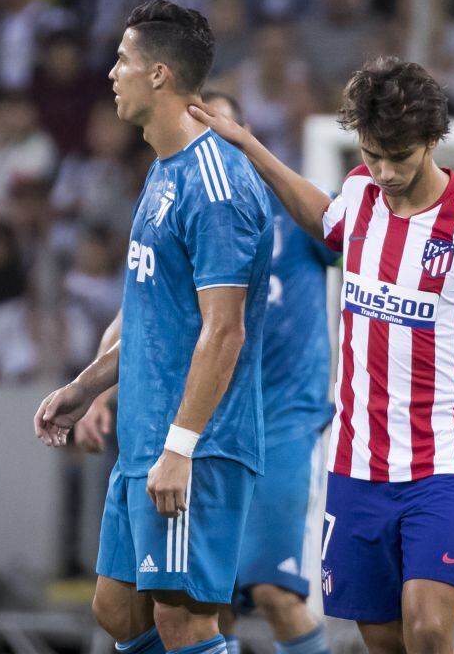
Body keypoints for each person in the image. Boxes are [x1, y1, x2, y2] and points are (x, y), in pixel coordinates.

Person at [189, 56, 454, 654]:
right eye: (373, 154)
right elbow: (324, 218)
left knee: (427, 629)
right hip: (357, 468)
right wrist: (248, 146)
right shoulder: (359, 196)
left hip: (442, 467)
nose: (386, 171)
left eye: (399, 156)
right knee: (385, 640)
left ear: (433, 139)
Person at [33, 0, 274, 654]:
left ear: (161, 74)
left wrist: (182, 447)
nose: (111, 73)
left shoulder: (218, 187)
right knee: (119, 612)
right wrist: (86, 386)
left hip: (196, 442)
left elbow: (224, 332)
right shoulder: (165, 171)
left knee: (183, 623)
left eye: (123, 60)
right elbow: (149, 315)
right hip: (145, 436)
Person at [76, 91, 336, 654]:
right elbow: (137, 312)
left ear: (238, 127)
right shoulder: (175, 190)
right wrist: (94, 392)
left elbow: (355, 238)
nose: (205, 131)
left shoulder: (275, 213)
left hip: (275, 422)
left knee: (269, 592)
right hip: (188, 417)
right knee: (149, 609)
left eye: (214, 118)